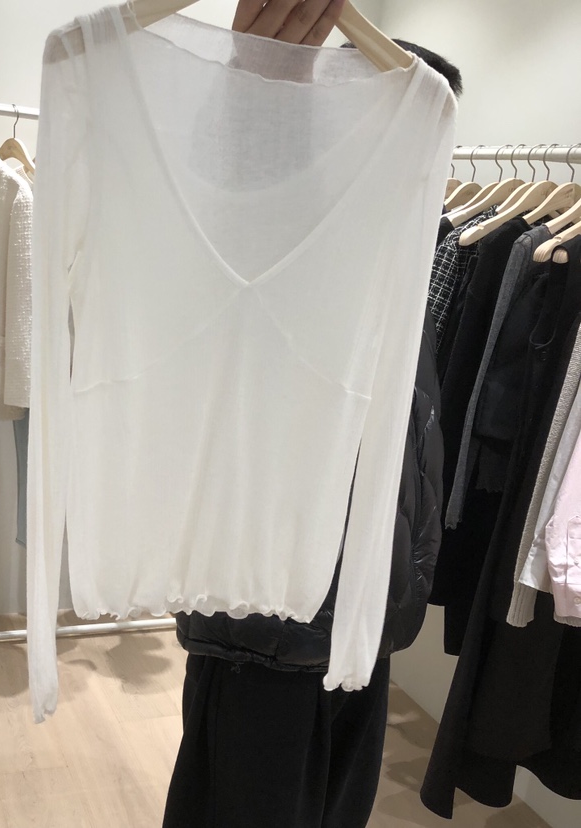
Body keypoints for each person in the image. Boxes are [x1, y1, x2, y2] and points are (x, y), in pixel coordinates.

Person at [162, 2, 463, 826]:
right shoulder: (285, 233)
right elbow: (227, 230)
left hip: (362, 614)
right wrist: (250, 108)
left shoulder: (400, 247)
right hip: (271, 626)